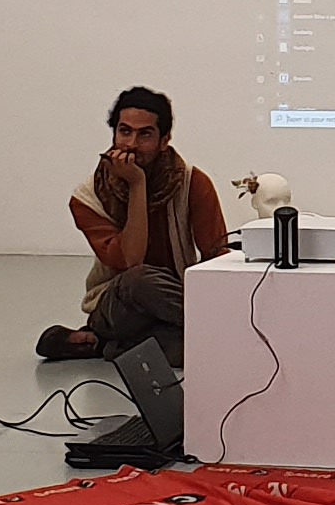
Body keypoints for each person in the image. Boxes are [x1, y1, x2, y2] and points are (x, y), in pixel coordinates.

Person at [36, 86, 229, 369]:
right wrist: (137, 184)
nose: (131, 144)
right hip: (117, 306)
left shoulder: (192, 183)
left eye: (145, 134)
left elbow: (216, 255)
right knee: (138, 280)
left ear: (164, 140)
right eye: (124, 132)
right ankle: (224, 330)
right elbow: (131, 261)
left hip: (173, 302)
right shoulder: (88, 198)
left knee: (186, 349)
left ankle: (111, 346)